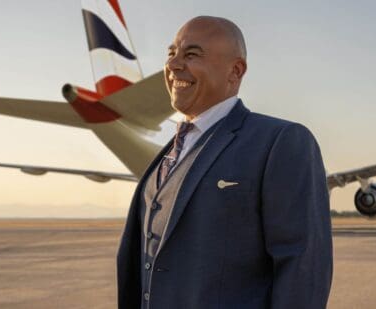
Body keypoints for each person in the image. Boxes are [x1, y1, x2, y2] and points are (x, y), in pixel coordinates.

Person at [116, 16, 332, 309]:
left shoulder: (281, 141)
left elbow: (303, 267)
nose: (174, 65)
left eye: (191, 54)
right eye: (171, 54)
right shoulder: (168, 154)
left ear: (235, 70)